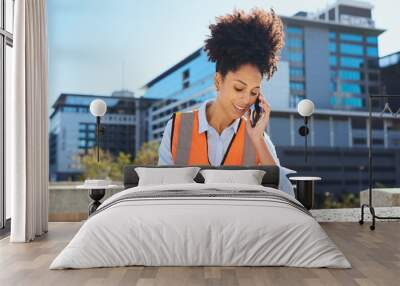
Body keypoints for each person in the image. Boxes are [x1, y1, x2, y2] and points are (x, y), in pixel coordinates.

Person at [158, 8, 295, 196]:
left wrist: (258, 140)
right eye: (239, 88)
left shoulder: (257, 137)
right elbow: (160, 191)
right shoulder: (176, 127)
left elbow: (287, 195)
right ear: (218, 81)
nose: (247, 99)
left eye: (254, 92)